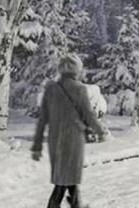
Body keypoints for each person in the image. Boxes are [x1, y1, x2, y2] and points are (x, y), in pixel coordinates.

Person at [32, 54, 109, 208]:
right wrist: (101, 131)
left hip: (55, 140)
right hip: (73, 140)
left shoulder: (50, 88)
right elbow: (89, 115)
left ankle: (75, 203)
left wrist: (37, 144)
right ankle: (62, 205)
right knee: (67, 178)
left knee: (65, 177)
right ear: (77, 70)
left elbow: (42, 119)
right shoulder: (80, 89)